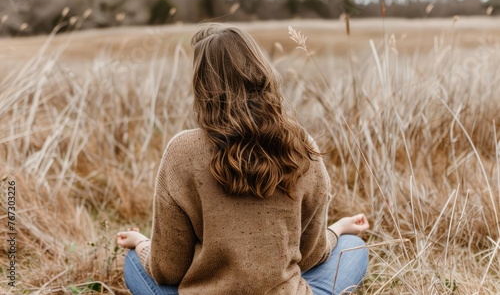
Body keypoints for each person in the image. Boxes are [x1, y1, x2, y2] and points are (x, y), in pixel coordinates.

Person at [116, 23, 370, 295]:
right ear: (261, 73)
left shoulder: (182, 151)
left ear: (202, 85)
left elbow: (168, 270)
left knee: (133, 261)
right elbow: (308, 256)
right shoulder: (300, 144)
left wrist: (141, 243)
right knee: (353, 248)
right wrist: (338, 229)